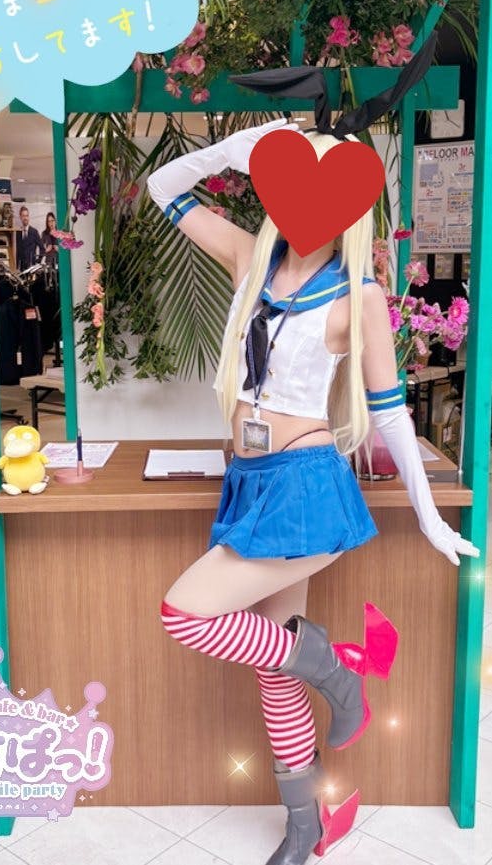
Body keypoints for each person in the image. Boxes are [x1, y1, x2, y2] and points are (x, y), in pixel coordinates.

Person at [147, 119, 479, 865]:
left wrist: (429, 516)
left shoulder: (360, 294)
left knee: (183, 614)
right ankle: (307, 823)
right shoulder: (249, 258)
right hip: (248, 481)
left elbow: (389, 412)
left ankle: (333, 665)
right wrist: (236, 151)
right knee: (275, 669)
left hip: (304, 487)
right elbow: (162, 187)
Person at [16, 205, 45, 270]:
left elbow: (42, 248)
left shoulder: (34, 232)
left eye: (27, 215)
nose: (25, 218)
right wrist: (16, 267)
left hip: (32, 267)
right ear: (20, 217)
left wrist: (38, 261)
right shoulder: (18, 233)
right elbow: (17, 252)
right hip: (21, 268)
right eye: (23, 216)